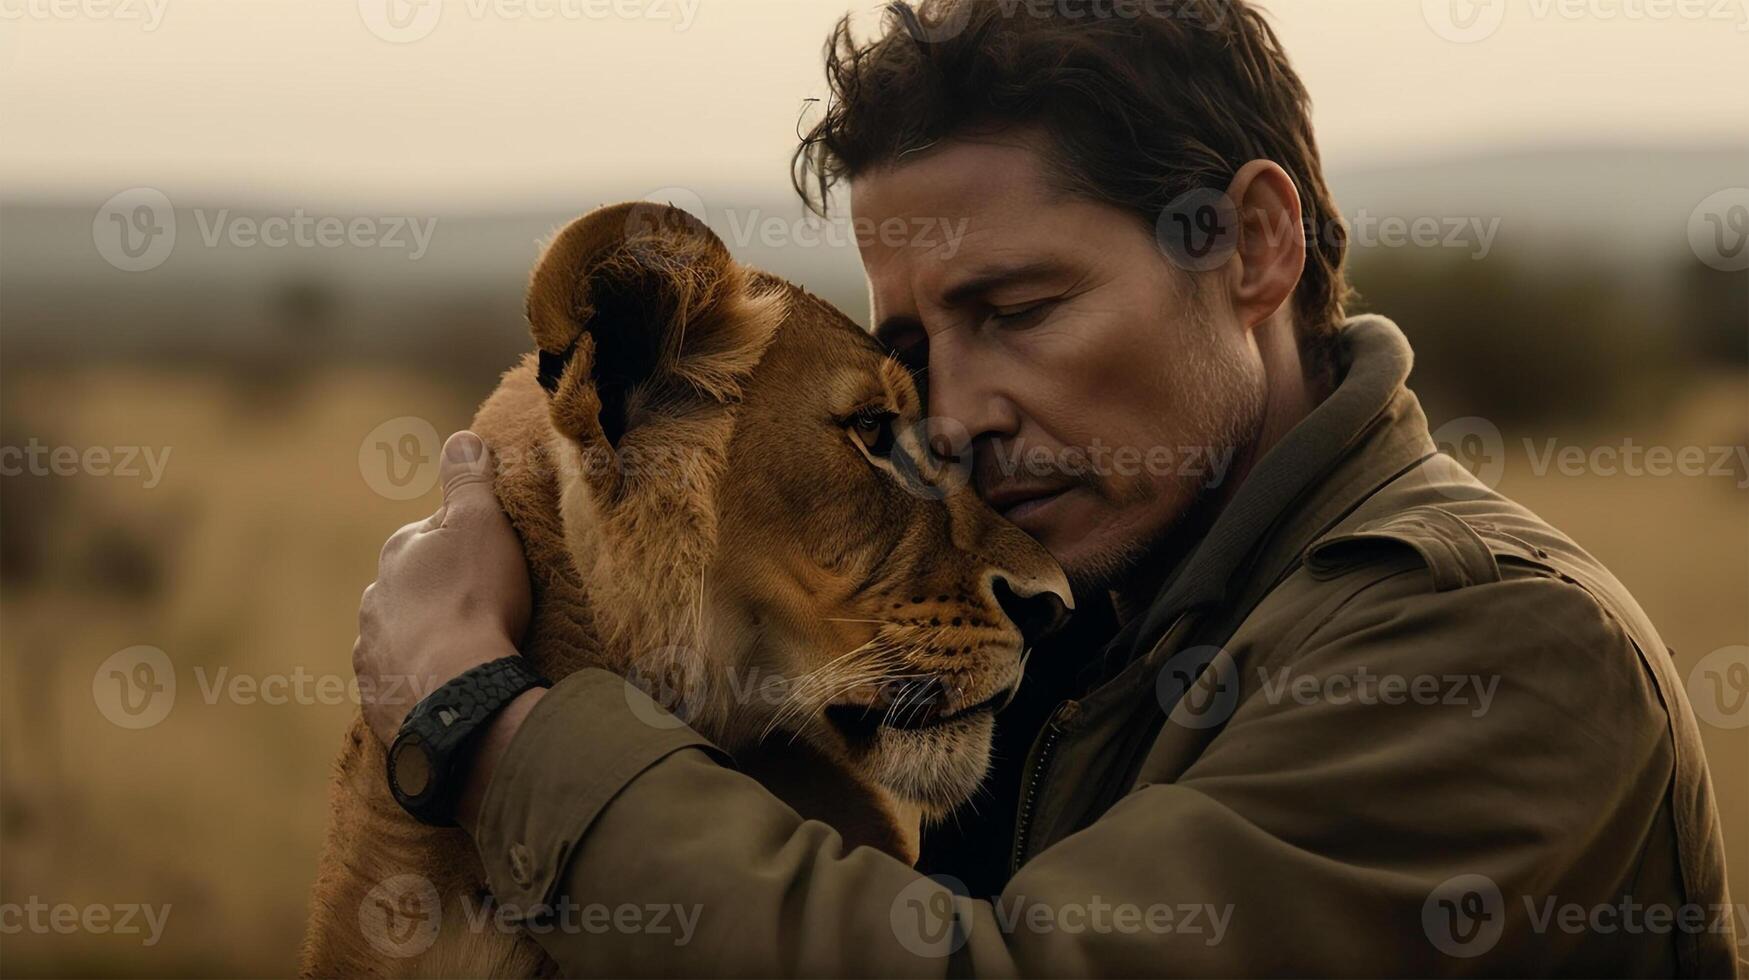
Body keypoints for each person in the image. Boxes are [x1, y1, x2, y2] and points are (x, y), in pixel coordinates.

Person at [352, 1, 1737, 974]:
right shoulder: (1112, 599)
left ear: (1250, 247)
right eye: (910, 353)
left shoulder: (1492, 642)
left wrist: (491, 729)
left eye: (1014, 309)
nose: (954, 416)